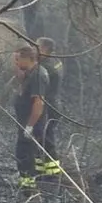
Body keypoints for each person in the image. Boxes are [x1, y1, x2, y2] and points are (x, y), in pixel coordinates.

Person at [11, 45, 49, 191]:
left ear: (29, 59)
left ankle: (27, 188)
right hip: (25, 121)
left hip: (32, 123)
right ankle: (33, 181)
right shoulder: (30, 73)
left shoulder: (38, 76)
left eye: (18, 59)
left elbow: (38, 103)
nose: (16, 62)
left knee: (24, 154)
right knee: (31, 153)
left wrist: (30, 126)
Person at [35, 37, 65, 182]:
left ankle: (52, 174)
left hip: (47, 106)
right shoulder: (57, 61)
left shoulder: (45, 68)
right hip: (54, 104)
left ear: (44, 49)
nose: (34, 49)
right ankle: (42, 172)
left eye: (37, 47)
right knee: (42, 139)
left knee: (46, 139)